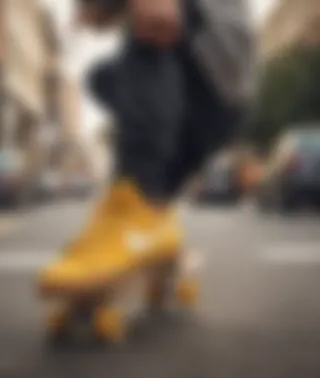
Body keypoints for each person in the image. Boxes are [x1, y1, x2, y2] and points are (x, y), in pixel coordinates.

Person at [39, 0, 255, 293]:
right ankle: (156, 218)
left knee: (147, 34)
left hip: (214, 69)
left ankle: (138, 200)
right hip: (201, 110)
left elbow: (160, 15)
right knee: (102, 77)